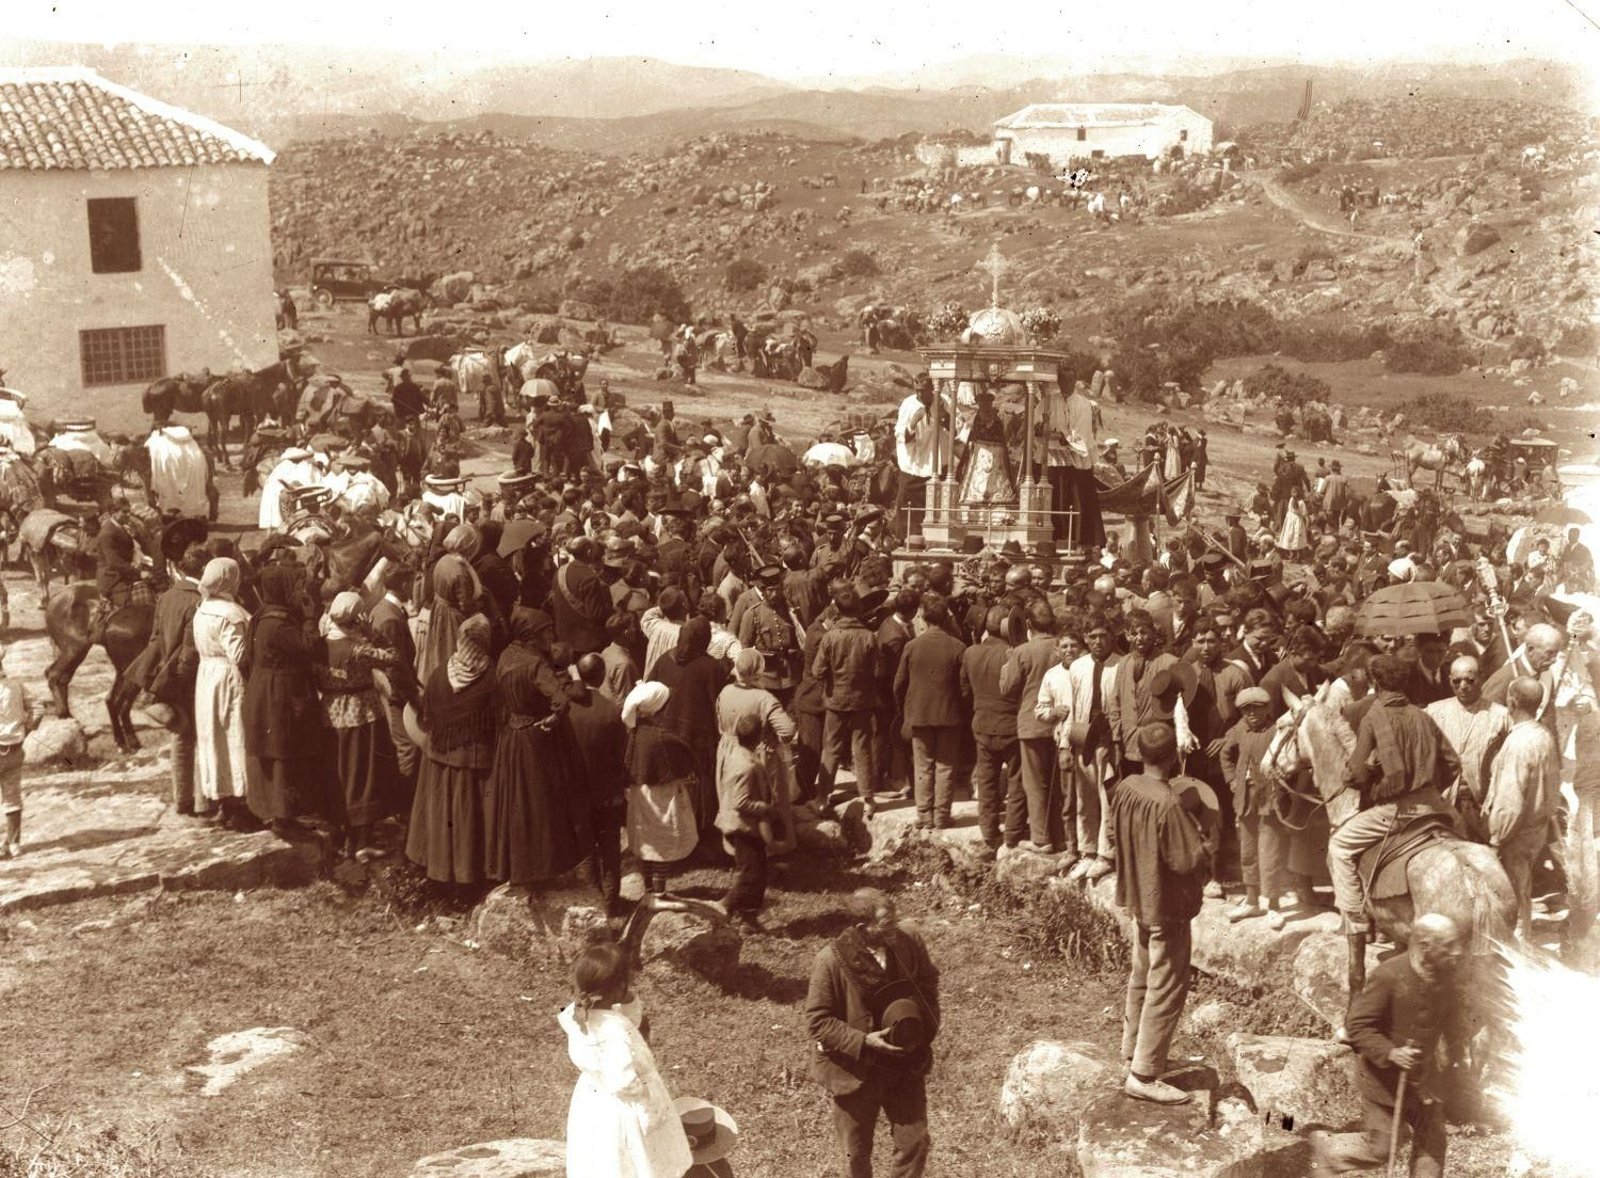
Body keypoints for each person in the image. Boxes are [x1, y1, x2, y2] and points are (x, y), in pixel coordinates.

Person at [1329, 655, 1458, 1000]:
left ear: (1377, 684)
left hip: (1399, 810)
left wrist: (1368, 777)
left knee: (1339, 846)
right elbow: (1453, 763)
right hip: (1436, 807)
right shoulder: (1423, 715)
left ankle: (1355, 920)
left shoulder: (1375, 715)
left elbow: (1355, 773)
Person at [1111, 723, 1214, 1103]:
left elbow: (1112, 834)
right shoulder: (1168, 804)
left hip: (1138, 898)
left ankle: (1132, 1052)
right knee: (1166, 986)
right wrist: (1204, 840)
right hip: (1167, 905)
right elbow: (1186, 860)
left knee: (1141, 976)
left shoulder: (1124, 788)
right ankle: (1144, 1074)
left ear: (1140, 753)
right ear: (1173, 756)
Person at [805, 888, 940, 1178]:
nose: (895, 928)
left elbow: (928, 980)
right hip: (855, 1071)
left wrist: (922, 1023)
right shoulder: (829, 961)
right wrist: (864, 1041)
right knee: (855, 1153)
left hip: (904, 1064)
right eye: (886, 923)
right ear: (862, 928)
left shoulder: (908, 940)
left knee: (914, 1140)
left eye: (894, 920)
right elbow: (818, 1022)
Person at [1318, 913, 1463, 1178]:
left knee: (1432, 1145)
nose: (1458, 950)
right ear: (1425, 945)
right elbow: (1357, 1026)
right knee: (1381, 1148)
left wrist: (1455, 1056)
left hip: (1422, 1081)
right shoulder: (1389, 975)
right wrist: (1391, 1053)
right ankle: (1329, 1148)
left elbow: (1453, 1023)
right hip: (1382, 1080)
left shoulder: (1447, 976)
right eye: (1449, 944)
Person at [558, 940, 694, 1178]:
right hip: (621, 1106)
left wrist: (628, 998)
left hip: (592, 1099)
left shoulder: (579, 1014)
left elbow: (632, 1021)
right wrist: (645, 1089)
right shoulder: (614, 1033)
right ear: (620, 985)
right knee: (631, 1159)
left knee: (599, 1159)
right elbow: (622, 1081)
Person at [484, 607, 593, 884]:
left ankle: (518, 868)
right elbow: (561, 699)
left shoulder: (506, 656)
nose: (552, 637)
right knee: (542, 804)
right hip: (536, 740)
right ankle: (545, 867)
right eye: (546, 632)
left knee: (517, 804)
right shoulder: (536, 665)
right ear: (531, 635)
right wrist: (555, 717)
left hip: (511, 739)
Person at [406, 614, 497, 883]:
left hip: (438, 758)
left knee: (441, 814)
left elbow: (428, 716)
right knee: (467, 818)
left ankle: (437, 872)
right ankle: (467, 875)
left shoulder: (439, 674)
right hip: (473, 763)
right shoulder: (491, 677)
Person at [245, 563, 330, 837]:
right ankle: (283, 821)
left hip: (268, 689)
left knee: (281, 753)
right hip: (280, 694)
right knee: (284, 753)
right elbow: (311, 649)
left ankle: (284, 815)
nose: (299, 591)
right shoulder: (278, 624)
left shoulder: (262, 615)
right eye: (294, 585)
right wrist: (310, 618)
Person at [319, 592, 404, 861]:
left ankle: (343, 838)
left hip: (331, 715)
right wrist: (372, 632)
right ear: (356, 619)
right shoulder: (361, 650)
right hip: (362, 714)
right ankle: (362, 843)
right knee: (364, 775)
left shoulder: (319, 646)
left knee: (339, 775)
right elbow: (394, 657)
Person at [1483, 677, 1561, 939]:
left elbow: (1510, 800)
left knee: (1512, 896)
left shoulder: (1518, 744)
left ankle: (1515, 949)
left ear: (1512, 701)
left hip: (1515, 833)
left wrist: (1496, 839)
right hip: (1536, 828)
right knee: (1522, 891)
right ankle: (1521, 940)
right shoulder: (1544, 736)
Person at [1218, 687, 1294, 927]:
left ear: (1267, 708)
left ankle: (1271, 904)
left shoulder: (1277, 730)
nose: (1251, 713)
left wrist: (1282, 781)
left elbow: (1291, 760)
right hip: (1244, 796)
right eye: (1245, 709)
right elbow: (1225, 754)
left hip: (1270, 796)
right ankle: (1252, 901)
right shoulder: (1240, 730)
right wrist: (1231, 780)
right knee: (1248, 849)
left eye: (1256, 708)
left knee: (1269, 850)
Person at [191, 558, 255, 831]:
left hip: (207, 676)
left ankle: (223, 803)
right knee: (235, 735)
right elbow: (239, 655)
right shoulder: (231, 613)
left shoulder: (202, 609)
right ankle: (241, 807)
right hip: (229, 678)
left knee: (213, 737)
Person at [894, 593, 967, 831]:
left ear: (923, 617)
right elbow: (965, 687)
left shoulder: (912, 645)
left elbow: (899, 684)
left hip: (919, 714)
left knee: (923, 766)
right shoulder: (958, 647)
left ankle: (924, 816)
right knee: (946, 766)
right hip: (949, 714)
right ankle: (941, 816)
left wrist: (906, 708)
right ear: (946, 618)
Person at [623, 682, 699, 894]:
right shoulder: (662, 739)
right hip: (661, 798)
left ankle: (649, 890)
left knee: (647, 844)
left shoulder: (635, 732)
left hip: (640, 795)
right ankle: (659, 892)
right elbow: (686, 759)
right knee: (662, 844)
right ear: (659, 709)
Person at [568, 653, 629, 915]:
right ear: (602, 676)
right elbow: (621, 756)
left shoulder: (567, 709)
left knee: (585, 851)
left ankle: (592, 904)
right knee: (610, 852)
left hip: (578, 792)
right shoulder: (613, 711)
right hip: (607, 795)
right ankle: (611, 904)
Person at [1424, 655, 1510, 837]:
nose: (1463, 686)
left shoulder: (1501, 716)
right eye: (1456, 682)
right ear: (1449, 681)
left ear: (1482, 677)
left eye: (1470, 680)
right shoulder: (1434, 711)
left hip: (1482, 804)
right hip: (1444, 803)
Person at [813, 586, 881, 816]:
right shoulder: (869, 636)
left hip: (835, 701)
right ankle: (868, 799)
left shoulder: (830, 637)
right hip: (862, 700)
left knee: (830, 749)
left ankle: (823, 798)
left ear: (838, 611)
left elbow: (817, 671)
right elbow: (878, 671)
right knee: (861, 748)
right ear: (858, 608)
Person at [1001, 602, 1062, 854]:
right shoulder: (1063, 647)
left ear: (1029, 625)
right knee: (1058, 783)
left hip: (1031, 723)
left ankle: (1041, 837)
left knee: (1035, 784)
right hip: (1060, 722)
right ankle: (1061, 836)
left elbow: (1007, 689)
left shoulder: (1022, 652)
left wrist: (1007, 666)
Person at [961, 604, 1022, 853]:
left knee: (986, 780)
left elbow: (964, 690)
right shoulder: (1013, 654)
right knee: (1017, 780)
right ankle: (1013, 832)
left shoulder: (970, 653)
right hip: (1011, 725)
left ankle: (988, 832)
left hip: (983, 724)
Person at [715, 712, 777, 932]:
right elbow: (741, 801)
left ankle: (748, 920)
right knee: (750, 875)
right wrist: (764, 807)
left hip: (748, 826)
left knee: (759, 873)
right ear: (757, 737)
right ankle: (723, 907)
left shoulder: (739, 755)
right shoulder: (745, 766)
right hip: (744, 827)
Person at [0, 643, 35, 858]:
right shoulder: (17, 686)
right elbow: (38, 707)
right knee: (12, 796)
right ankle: (14, 844)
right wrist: (26, 729)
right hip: (13, 750)